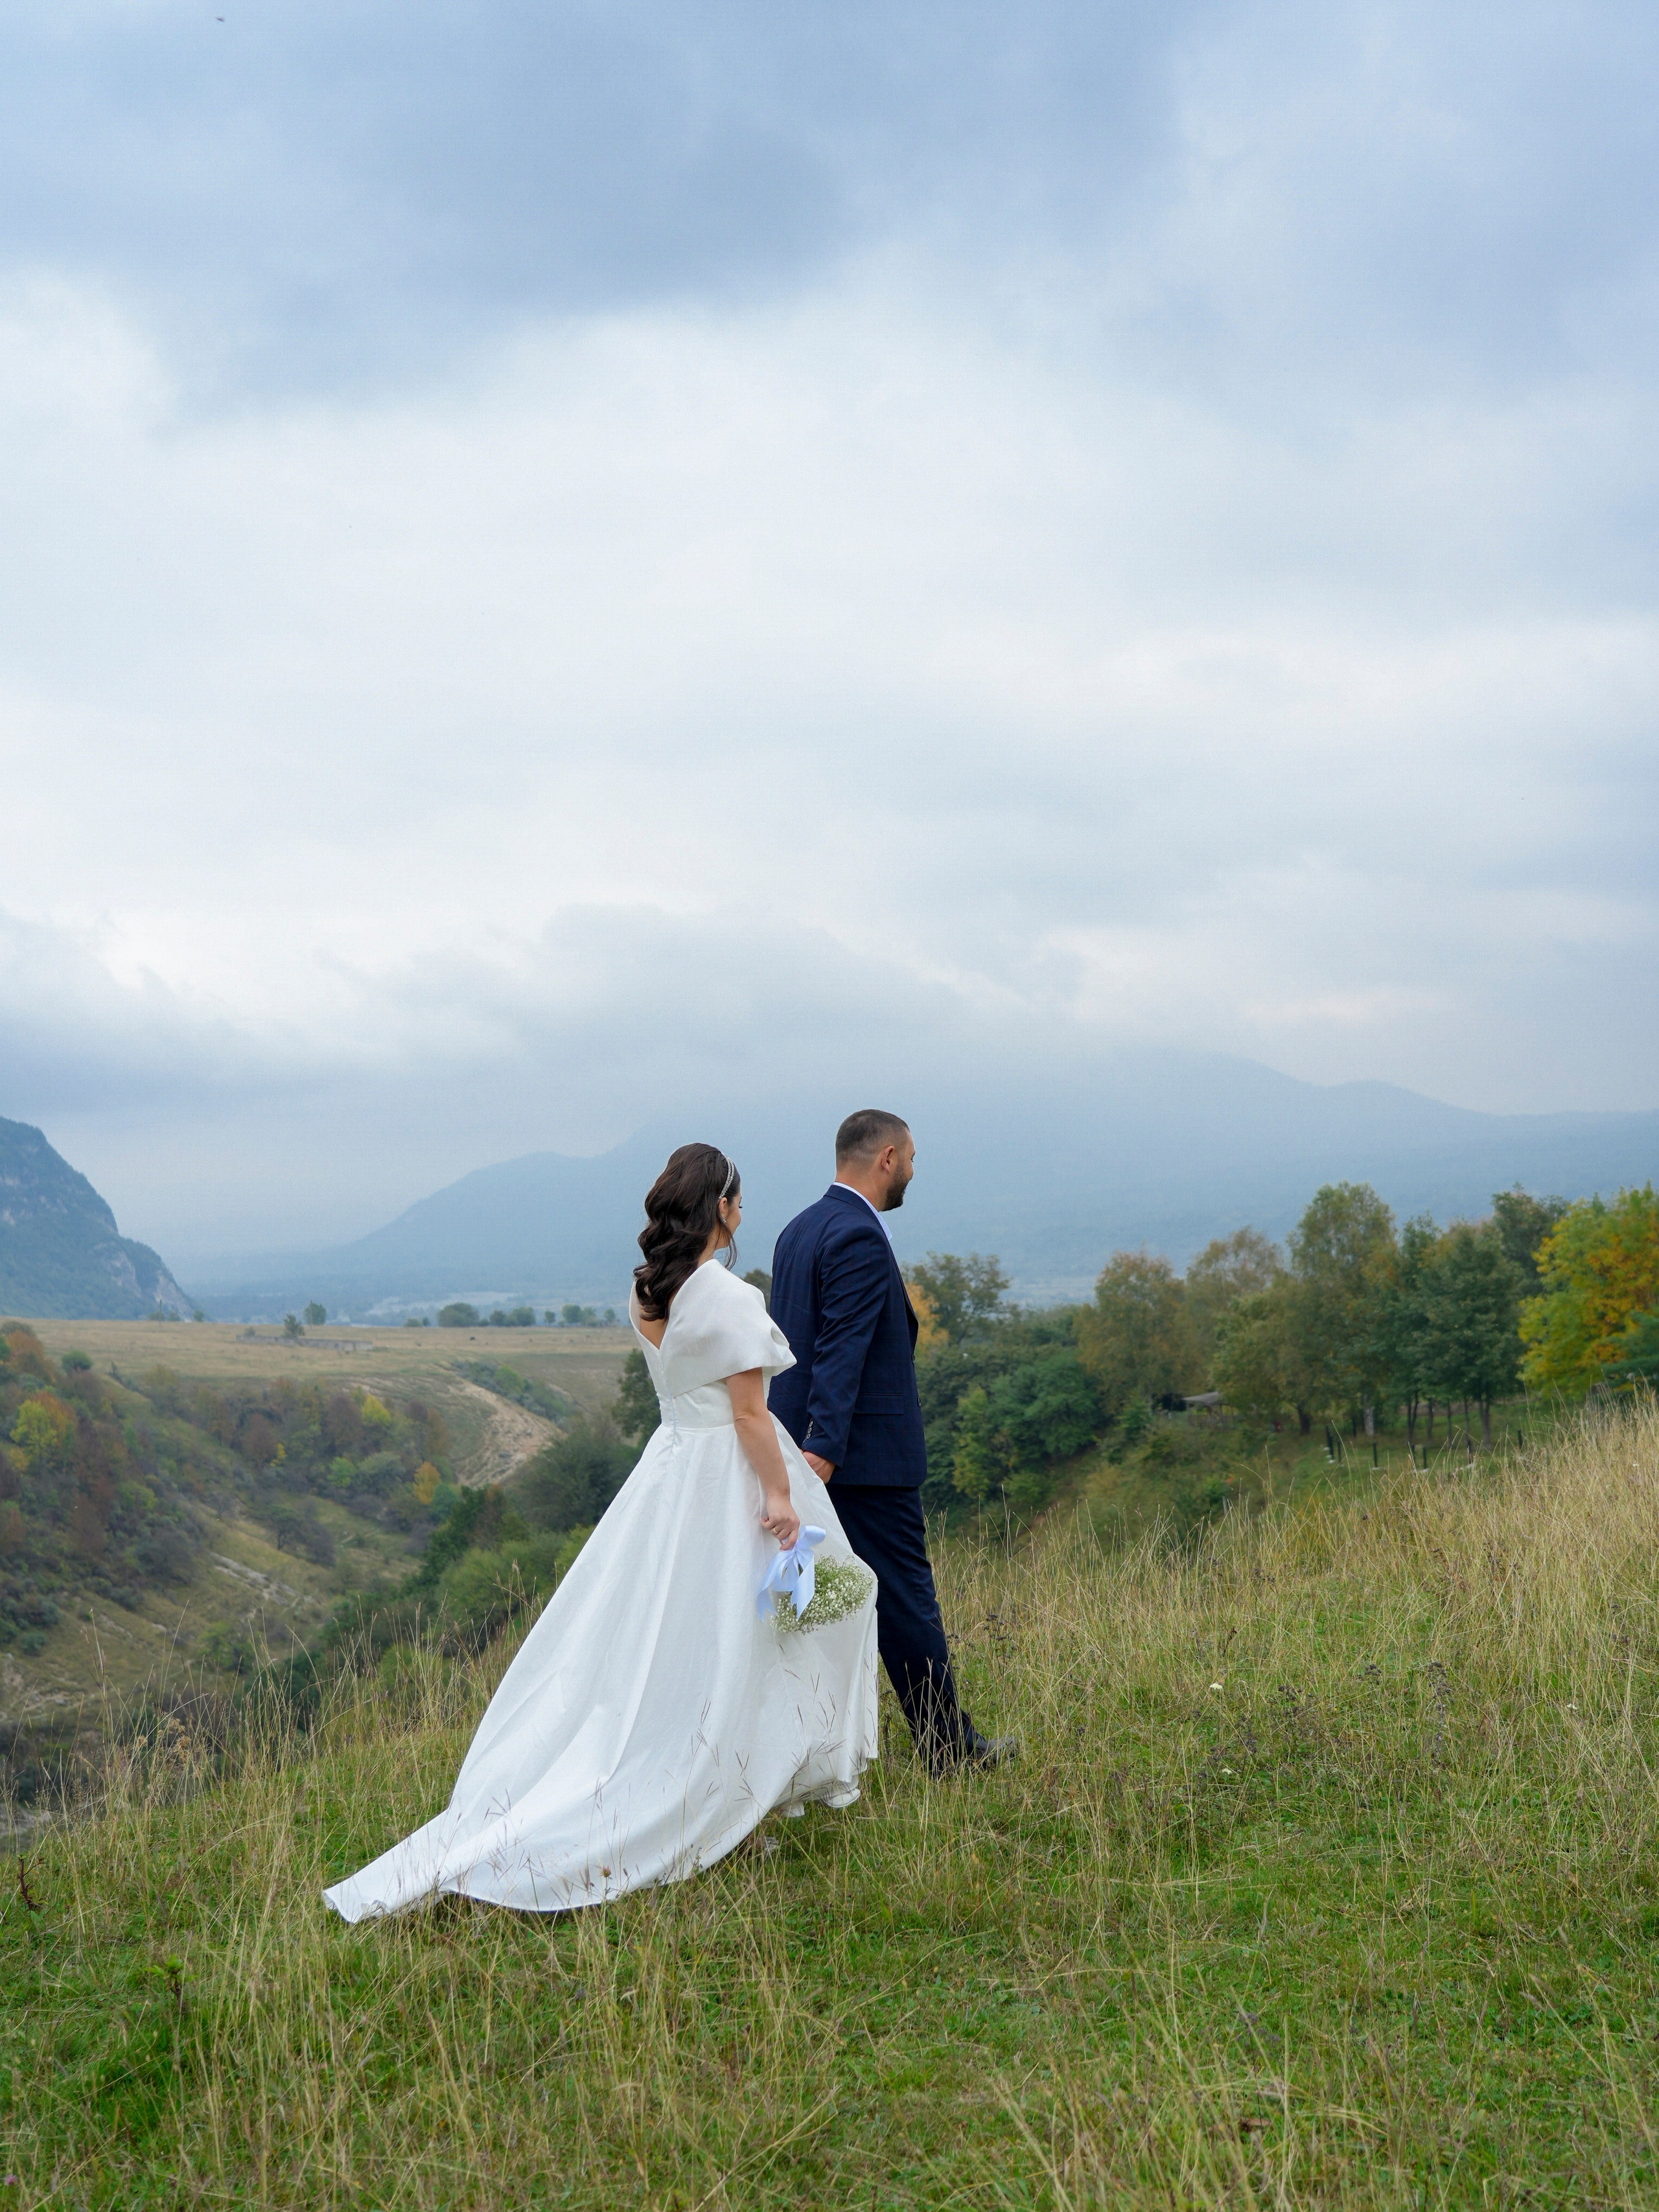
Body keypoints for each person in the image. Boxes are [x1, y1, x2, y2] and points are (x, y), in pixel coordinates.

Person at [323, 1143, 879, 1920]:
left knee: (678, 1637)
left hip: (670, 1469)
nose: (744, 1211)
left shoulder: (647, 1290)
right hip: (728, 1475)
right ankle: (729, 1800)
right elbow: (750, 1415)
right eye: (738, 1199)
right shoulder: (727, 1295)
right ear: (719, 1206)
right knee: (779, 1625)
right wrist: (781, 1497)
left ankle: (735, 1795)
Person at [768, 1110, 1014, 1774]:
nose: (911, 1168)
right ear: (885, 1157)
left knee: (802, 1609)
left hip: (805, 1454)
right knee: (905, 1600)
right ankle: (947, 1748)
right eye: (909, 1156)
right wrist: (825, 1445)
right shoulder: (856, 1234)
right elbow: (839, 1349)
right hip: (857, 1462)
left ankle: (794, 1753)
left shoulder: (798, 1229)